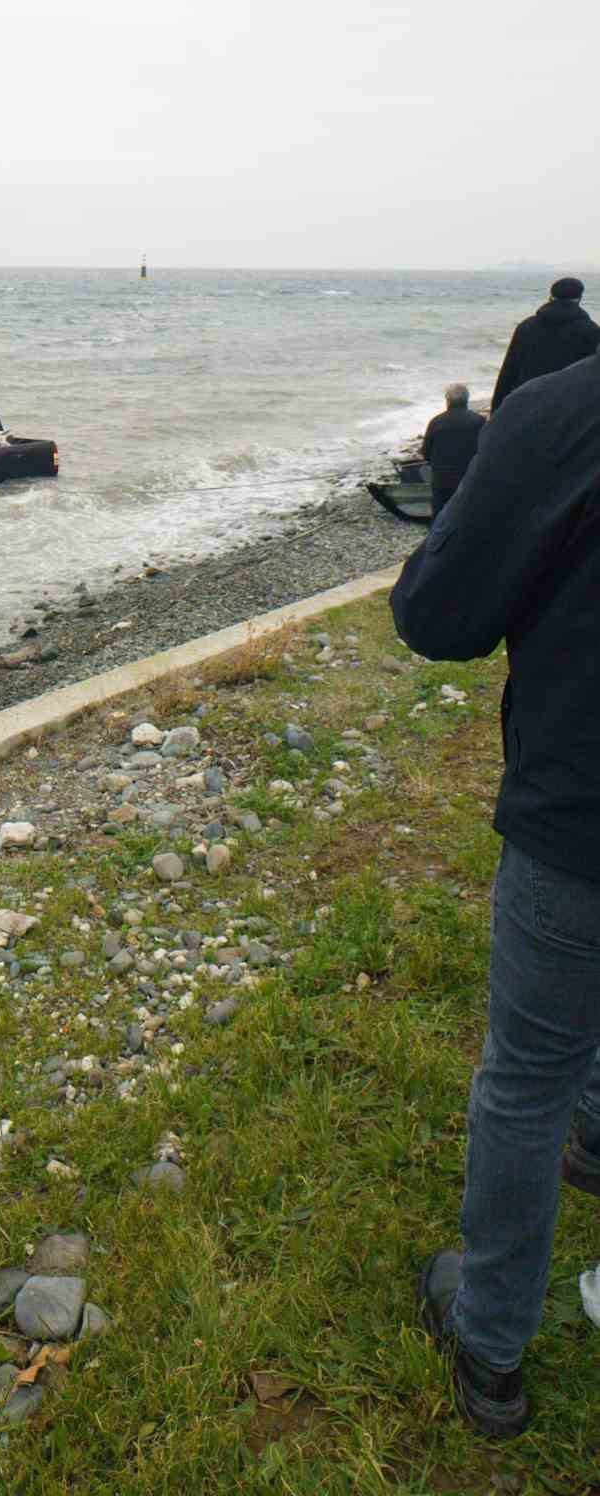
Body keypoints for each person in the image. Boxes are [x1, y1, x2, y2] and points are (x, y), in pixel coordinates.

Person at [391, 338, 600, 1439]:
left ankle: (490, 1348)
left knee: (524, 1083)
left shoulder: (559, 415)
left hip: (579, 820)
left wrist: (458, 491)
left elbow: (437, 615)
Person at [492, 276, 600, 410]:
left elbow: (508, 372)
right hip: (569, 409)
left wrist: (496, 409)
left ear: (551, 297)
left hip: (526, 404)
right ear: (579, 299)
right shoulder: (591, 331)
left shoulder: (526, 327)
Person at [420, 384, 486, 516]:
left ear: (448, 400)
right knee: (468, 516)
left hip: (442, 480)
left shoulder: (436, 422)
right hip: (469, 478)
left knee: (440, 517)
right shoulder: (479, 421)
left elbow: (426, 453)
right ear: (467, 400)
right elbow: (486, 450)